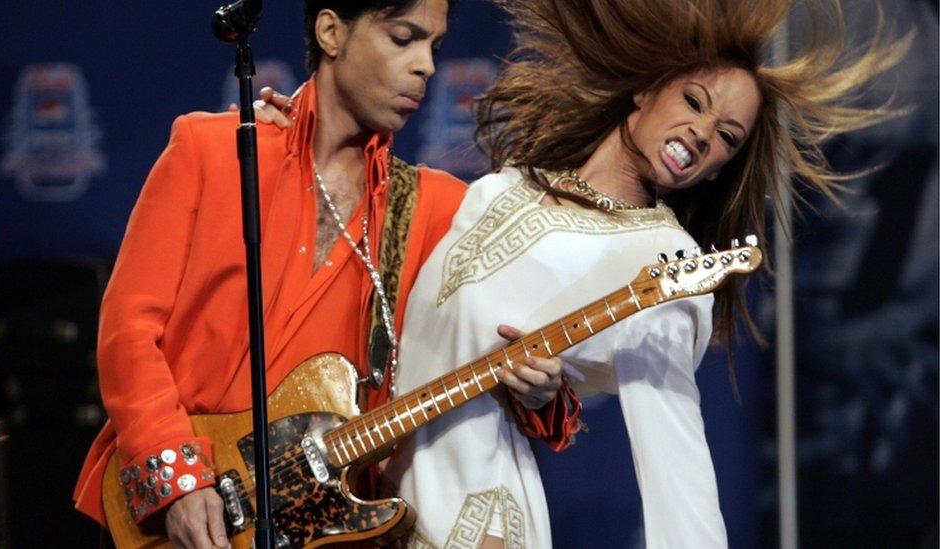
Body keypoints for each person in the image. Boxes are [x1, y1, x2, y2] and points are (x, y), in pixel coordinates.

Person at [262, 0, 909, 547]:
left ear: (720, 169)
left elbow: (675, 452)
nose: (702, 132)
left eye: (728, 137)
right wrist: (297, 134)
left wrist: (545, 398)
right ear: (645, 88)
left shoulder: (665, 261)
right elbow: (365, 240)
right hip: (369, 508)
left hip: (477, 522)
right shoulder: (500, 188)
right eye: (694, 100)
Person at [72, 2, 577, 548]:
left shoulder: (439, 209)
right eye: (403, 38)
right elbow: (128, 331)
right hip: (174, 518)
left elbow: (510, 363)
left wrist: (542, 394)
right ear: (332, 31)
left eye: (434, 46)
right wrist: (178, 482)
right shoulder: (211, 150)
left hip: (322, 530)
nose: (426, 66)